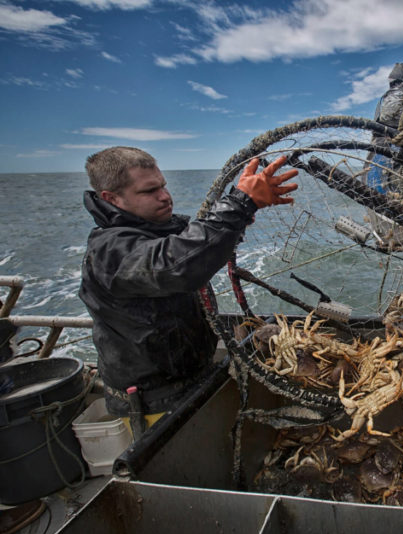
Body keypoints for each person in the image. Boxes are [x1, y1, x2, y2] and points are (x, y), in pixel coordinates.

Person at [79, 147, 298, 430]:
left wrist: (239, 216)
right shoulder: (109, 251)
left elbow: (198, 247)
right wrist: (240, 203)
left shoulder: (159, 228)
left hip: (195, 379)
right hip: (154, 403)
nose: (164, 196)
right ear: (111, 198)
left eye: (163, 185)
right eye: (149, 191)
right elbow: (177, 264)